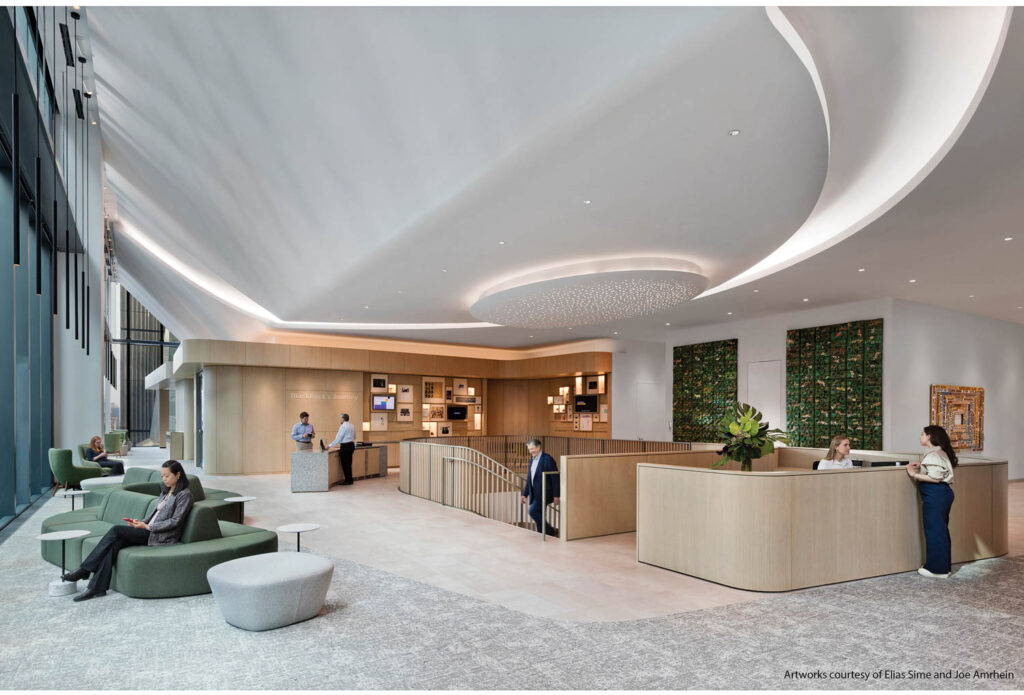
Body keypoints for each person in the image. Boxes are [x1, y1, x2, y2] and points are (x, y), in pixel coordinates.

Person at [63, 460, 193, 601]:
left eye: (167, 476)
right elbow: (153, 514)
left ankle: (84, 569)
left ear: (178, 474)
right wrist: (140, 522)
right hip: (148, 529)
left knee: (116, 530)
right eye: (162, 476)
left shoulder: (184, 495)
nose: (164, 479)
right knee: (114, 545)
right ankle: (96, 588)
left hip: (159, 535)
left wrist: (148, 527)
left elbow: (176, 521)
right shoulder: (166, 491)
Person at [906, 425, 957, 578]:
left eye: (922, 434)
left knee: (934, 531)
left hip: (935, 494)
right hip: (941, 494)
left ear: (929, 436)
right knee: (940, 530)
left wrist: (913, 474)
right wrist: (922, 467)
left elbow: (935, 478)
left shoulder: (934, 455)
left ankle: (937, 569)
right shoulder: (938, 452)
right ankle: (943, 567)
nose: (920, 436)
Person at [520, 438, 560, 536]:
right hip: (535, 493)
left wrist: (556, 495)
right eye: (529, 449)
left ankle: (550, 531)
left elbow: (555, 478)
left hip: (545, 493)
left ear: (539, 447)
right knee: (539, 514)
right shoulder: (532, 460)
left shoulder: (547, 459)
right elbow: (530, 479)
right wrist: (524, 494)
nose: (531, 451)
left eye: (532, 449)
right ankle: (543, 534)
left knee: (533, 511)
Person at [327, 413, 356, 485]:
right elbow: (355, 437)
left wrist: (329, 445)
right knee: (349, 463)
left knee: (345, 464)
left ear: (343, 419)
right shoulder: (352, 426)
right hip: (351, 445)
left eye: (340, 418)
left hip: (345, 446)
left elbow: (338, 438)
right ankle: (350, 479)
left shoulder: (343, 426)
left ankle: (348, 480)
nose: (340, 420)